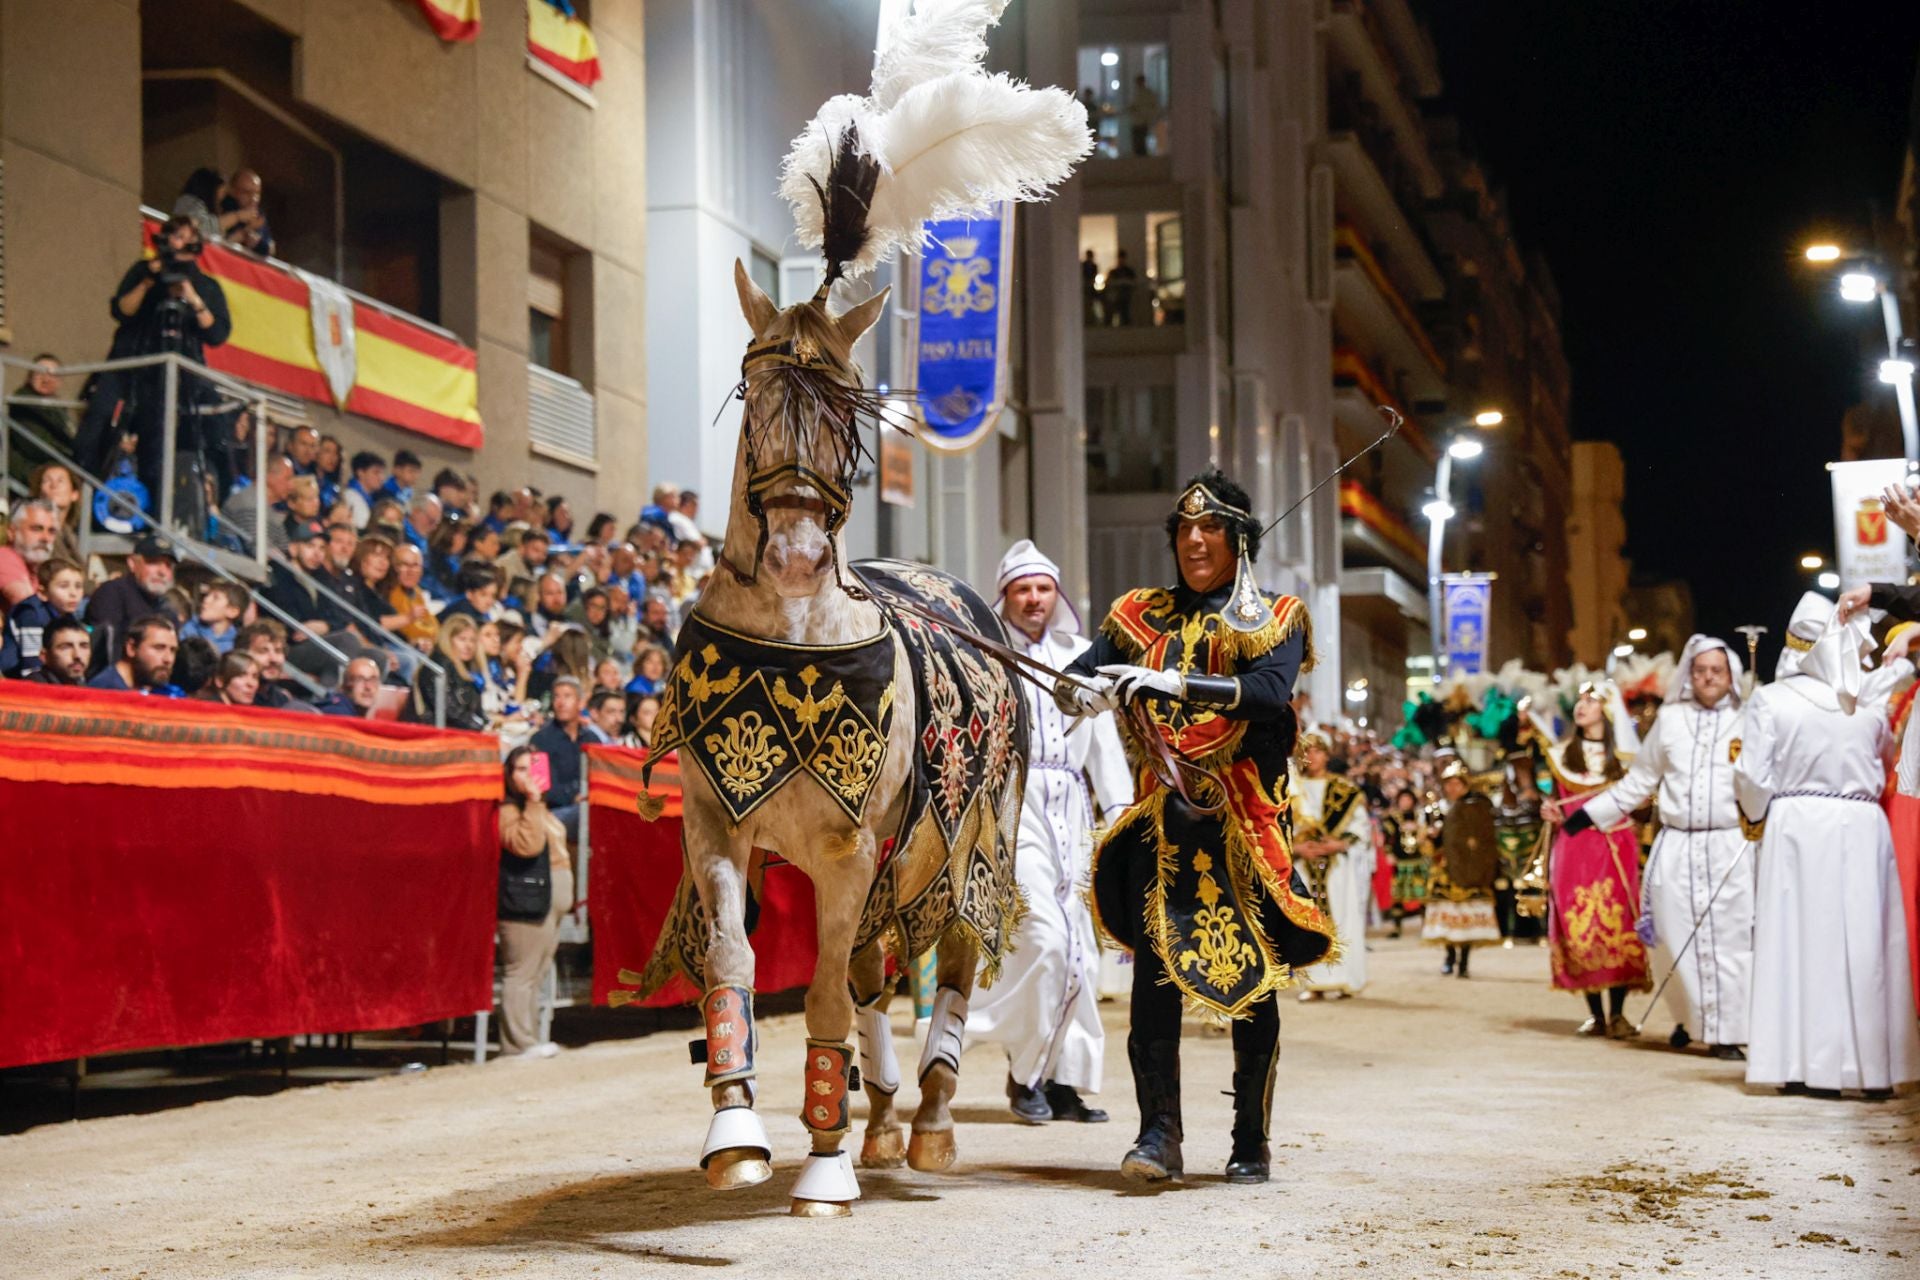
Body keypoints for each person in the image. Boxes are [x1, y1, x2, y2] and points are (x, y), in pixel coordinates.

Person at [1061, 470, 1334, 1186]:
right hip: (1167, 831)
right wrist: (1084, 688)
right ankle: (1158, 1136)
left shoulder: (1277, 614)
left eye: (1210, 528)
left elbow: (1271, 695)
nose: (1194, 540)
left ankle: (1250, 1139)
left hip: (1244, 827)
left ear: (1239, 540)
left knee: (1257, 982)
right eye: (1183, 529)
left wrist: (1174, 683)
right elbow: (1077, 676)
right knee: (1155, 979)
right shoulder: (1137, 616)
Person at [968, 541, 1133, 1125]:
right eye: (1021, 589)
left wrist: (1120, 812)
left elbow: (1106, 744)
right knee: (1044, 939)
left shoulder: (1080, 653)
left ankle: (1065, 1082)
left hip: (1073, 809)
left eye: (1042, 588)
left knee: (1083, 956)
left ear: (1055, 595)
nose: (1033, 599)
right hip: (1015, 804)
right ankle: (1025, 1072)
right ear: (1005, 596)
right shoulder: (986, 655)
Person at [1735, 593, 1920, 1096]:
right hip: (1862, 825)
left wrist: (1754, 818)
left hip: (1796, 823)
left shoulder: (1771, 700)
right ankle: (1873, 1069)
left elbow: (1752, 776)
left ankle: (1801, 1064)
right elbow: (1887, 761)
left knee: (1799, 944)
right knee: (1866, 945)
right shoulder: (1872, 700)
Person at [1560, 636, 1755, 1058]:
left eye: (1716, 671)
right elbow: (1639, 782)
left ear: (1730, 675)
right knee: (1670, 937)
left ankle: (1728, 1031)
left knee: (1732, 939)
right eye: (1700, 670)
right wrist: (1586, 816)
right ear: (1689, 673)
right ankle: (1689, 1017)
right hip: (1678, 844)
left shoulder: (1749, 718)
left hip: (1729, 844)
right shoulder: (1670, 720)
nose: (1707, 677)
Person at [72, 214, 232, 506]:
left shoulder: (206, 286)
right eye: (175, 236)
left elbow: (218, 333)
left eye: (187, 238)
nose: (179, 243)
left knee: (158, 445)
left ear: (197, 245)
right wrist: (148, 280)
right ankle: (81, 495)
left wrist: (192, 298)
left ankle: (155, 509)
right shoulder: (144, 271)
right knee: (97, 425)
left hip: (172, 376)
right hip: (129, 364)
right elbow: (122, 310)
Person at [1536, 683, 1652, 1037]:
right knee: (1577, 921)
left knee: (1617, 921)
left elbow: (1642, 803)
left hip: (1615, 846)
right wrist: (1549, 811)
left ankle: (1617, 1013)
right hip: (1574, 846)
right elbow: (1555, 801)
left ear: (1607, 709)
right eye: (1580, 701)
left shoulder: (1626, 758)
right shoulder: (1560, 755)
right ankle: (1596, 1015)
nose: (1582, 706)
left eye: (1591, 701)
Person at [497, 746, 572, 1058]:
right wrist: (533, 800)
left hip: (549, 900)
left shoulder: (539, 808)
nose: (529, 775)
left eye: (533, 767)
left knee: (536, 972)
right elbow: (527, 845)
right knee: (522, 972)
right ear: (509, 775)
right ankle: (517, 1043)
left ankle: (529, 1038)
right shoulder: (510, 811)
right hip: (527, 901)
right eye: (521, 769)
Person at [1291, 728, 1375, 999]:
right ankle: (1312, 982)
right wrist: (1297, 848)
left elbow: (1360, 827)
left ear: (1326, 755)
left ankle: (1343, 978)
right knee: (1307, 922)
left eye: (1317, 751)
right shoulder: (1290, 789)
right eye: (1306, 751)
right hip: (1304, 866)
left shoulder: (1344, 790)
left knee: (1341, 919)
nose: (1311, 757)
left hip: (1336, 868)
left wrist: (1337, 844)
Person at [1422, 760, 1501, 975]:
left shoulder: (1475, 807)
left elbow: (1481, 840)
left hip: (1469, 870)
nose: (1452, 788)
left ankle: (1464, 961)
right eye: (1449, 784)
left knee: (1467, 915)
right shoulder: (1440, 809)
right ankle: (1449, 956)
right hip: (1446, 870)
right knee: (1448, 914)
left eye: (1457, 784)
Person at [84, 532, 180, 661]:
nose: (162, 572)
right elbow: (106, 650)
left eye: (168, 565)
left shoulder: (168, 610)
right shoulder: (112, 593)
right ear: (132, 563)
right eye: (153, 562)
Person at [529, 675, 593, 840]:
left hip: (588, 804)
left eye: (567, 696)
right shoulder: (540, 739)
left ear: (581, 702)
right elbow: (541, 786)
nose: (561, 702)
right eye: (556, 696)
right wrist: (574, 795)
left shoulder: (592, 739)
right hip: (554, 812)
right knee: (585, 814)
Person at [3, 556, 85, 678]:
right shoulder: (29, 614)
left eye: (78, 586)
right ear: (43, 593)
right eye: (64, 586)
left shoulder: (69, 617)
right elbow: (31, 665)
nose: (73, 593)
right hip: (15, 679)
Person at [404, 614, 487, 731]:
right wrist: (482, 729)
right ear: (448, 638)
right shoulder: (437, 666)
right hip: (431, 733)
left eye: (472, 640)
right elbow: (450, 711)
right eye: (462, 639)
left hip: (458, 731)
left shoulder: (466, 668)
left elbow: (476, 711)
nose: (468, 646)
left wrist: (487, 725)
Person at [87, 614, 178, 694]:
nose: (168, 659)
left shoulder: (155, 689)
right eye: (159, 648)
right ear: (131, 648)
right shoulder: (105, 692)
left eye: (173, 650)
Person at [0, 497, 61, 607]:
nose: (45, 538)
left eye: (51, 531)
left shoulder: (37, 568)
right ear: (11, 532)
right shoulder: (4, 558)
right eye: (37, 529)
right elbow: (30, 608)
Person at [220, 167, 274, 258]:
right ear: (233, 191)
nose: (254, 199)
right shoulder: (221, 208)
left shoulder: (258, 214)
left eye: (257, 193)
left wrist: (259, 242)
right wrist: (246, 230)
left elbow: (271, 247)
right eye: (246, 192)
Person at [27, 616, 92, 685]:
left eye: (84, 646)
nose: (78, 655)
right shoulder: (32, 689)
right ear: (44, 656)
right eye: (66, 647)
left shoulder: (83, 685)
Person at [195, 650, 261, 706]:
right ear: (220, 681)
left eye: (255, 677)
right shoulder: (206, 711)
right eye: (241, 676)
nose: (251, 684)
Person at [343, 451, 387, 529]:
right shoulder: (351, 497)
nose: (381, 478)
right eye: (376, 472)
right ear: (361, 473)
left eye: (382, 473)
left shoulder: (369, 499)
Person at [1125, 74, 1161, 155]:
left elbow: (1150, 108)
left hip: (1142, 121)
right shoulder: (1139, 94)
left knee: (1140, 142)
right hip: (1138, 121)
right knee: (1138, 142)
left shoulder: (1146, 94)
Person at [1104, 250, 1139, 326]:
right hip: (1116, 296)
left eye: (1122, 258)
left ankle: (1125, 325)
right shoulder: (1114, 271)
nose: (1121, 260)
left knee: (1124, 312)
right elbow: (1108, 283)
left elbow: (1134, 283)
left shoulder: (1129, 271)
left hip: (1125, 295)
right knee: (1115, 312)